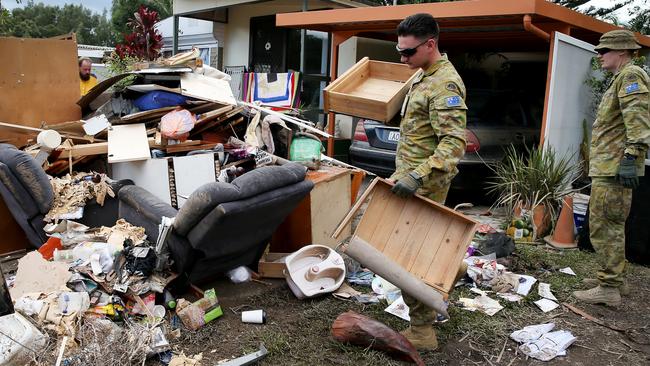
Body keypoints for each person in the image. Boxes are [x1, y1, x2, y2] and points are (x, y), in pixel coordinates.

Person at [389, 13, 467, 351]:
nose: (403, 58)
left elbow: (453, 144)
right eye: (400, 51)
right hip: (409, 180)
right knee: (407, 252)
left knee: (410, 258)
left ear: (430, 44)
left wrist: (416, 176)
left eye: (408, 52)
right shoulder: (423, 76)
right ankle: (450, 267)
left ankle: (422, 330)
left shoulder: (445, 84)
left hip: (425, 184)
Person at [573, 29, 650, 306]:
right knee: (609, 223)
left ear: (621, 52)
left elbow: (638, 121)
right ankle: (615, 278)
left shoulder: (631, 76)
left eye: (604, 51)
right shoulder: (621, 78)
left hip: (616, 167)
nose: (599, 55)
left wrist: (631, 157)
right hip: (609, 166)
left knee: (605, 225)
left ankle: (609, 286)